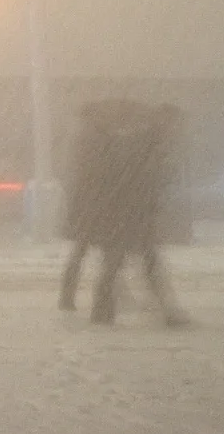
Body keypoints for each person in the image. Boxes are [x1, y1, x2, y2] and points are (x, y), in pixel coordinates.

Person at [60, 98, 186, 325]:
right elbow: (134, 178)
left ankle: (105, 309)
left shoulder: (134, 140)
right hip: (126, 211)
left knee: (120, 260)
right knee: (126, 260)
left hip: (123, 210)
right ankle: (109, 309)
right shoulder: (144, 141)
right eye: (174, 122)